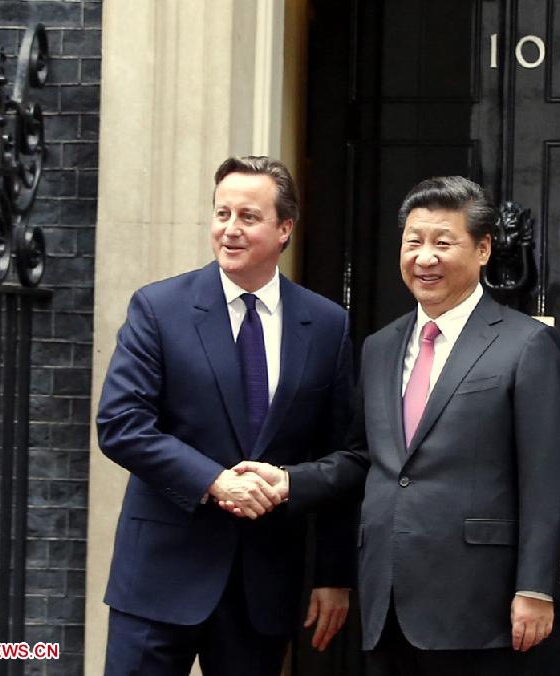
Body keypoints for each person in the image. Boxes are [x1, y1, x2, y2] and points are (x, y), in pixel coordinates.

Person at [230, 176, 560, 675]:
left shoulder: (526, 346)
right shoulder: (380, 347)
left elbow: (550, 478)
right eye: (413, 241)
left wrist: (536, 587)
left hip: (481, 604)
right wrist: (288, 481)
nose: (425, 257)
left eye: (443, 242)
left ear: (482, 250)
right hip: (386, 598)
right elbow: (363, 460)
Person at [96, 156, 355, 676]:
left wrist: (333, 574)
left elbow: (343, 456)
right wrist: (215, 481)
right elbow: (122, 424)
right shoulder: (159, 307)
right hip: (159, 574)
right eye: (221, 214)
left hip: (263, 582)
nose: (230, 230)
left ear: (285, 229)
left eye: (248, 217)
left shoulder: (327, 324)